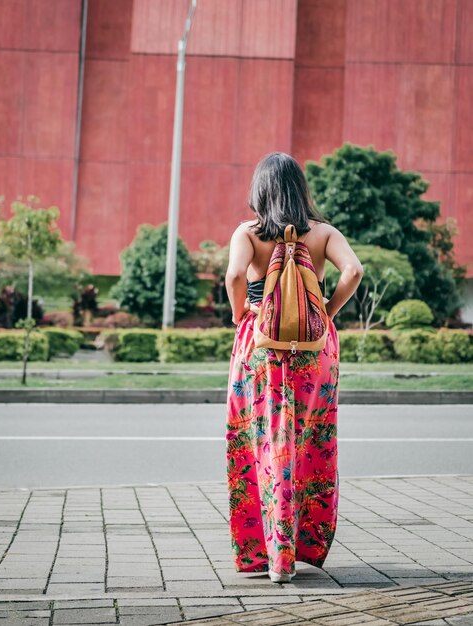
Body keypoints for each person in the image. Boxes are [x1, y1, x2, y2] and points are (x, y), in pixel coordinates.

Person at [225, 152, 363, 583]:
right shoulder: (323, 233)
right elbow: (354, 270)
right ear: (300, 188)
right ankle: (298, 548)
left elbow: (233, 277)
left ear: (260, 189)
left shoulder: (248, 233)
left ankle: (269, 553)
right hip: (314, 350)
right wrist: (327, 310)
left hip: (261, 348)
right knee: (307, 442)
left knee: (260, 442)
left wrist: (238, 313)